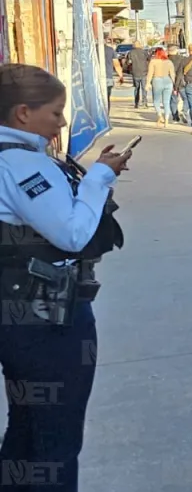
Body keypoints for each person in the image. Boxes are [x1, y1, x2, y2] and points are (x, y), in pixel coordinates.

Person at [0, 63, 130, 491]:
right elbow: (72, 233)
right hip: (47, 320)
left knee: (27, 427)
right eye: (55, 113)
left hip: (20, 318)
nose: (59, 124)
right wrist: (99, 177)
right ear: (23, 114)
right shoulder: (21, 165)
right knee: (56, 436)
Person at [144, 46, 176, 127]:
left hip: (157, 80)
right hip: (168, 81)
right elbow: (172, 74)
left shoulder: (153, 61)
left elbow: (150, 73)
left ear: (156, 53)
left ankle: (160, 116)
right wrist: (174, 84)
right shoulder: (169, 62)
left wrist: (148, 83)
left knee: (156, 101)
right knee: (166, 102)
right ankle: (166, 121)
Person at [102, 37, 122, 116]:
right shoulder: (110, 50)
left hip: (95, 78)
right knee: (107, 98)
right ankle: (106, 115)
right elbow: (116, 64)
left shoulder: (93, 50)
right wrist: (120, 76)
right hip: (108, 78)